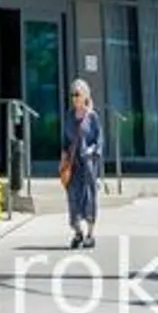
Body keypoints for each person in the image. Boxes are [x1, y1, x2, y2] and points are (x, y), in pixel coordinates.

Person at [62, 78, 107, 250]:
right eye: (72, 94)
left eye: (77, 94)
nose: (74, 98)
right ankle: (77, 232)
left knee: (89, 197)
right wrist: (63, 157)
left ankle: (90, 234)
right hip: (73, 165)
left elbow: (99, 140)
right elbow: (65, 140)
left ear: (85, 96)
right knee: (73, 197)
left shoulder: (92, 117)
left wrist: (92, 151)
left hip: (88, 165)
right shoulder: (69, 116)